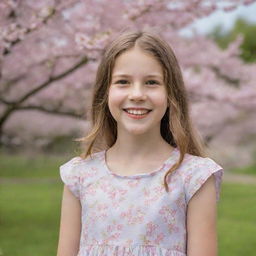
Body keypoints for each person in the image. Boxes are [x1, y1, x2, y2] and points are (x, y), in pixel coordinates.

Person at [56, 29, 224, 256]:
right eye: (123, 81)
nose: (137, 94)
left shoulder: (194, 177)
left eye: (152, 82)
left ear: (171, 94)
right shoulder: (79, 175)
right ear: (105, 92)